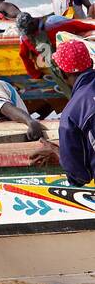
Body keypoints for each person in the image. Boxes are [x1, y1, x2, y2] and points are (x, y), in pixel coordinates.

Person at [16, 12, 95, 96]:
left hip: (75, 62)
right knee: (72, 94)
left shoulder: (53, 23)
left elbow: (80, 26)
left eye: (28, 31)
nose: (28, 35)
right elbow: (24, 55)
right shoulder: (24, 37)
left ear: (32, 23)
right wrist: (35, 74)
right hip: (55, 70)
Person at [55, 41, 95, 186]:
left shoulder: (71, 114)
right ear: (90, 63)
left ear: (62, 73)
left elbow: (79, 177)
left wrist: (58, 153)